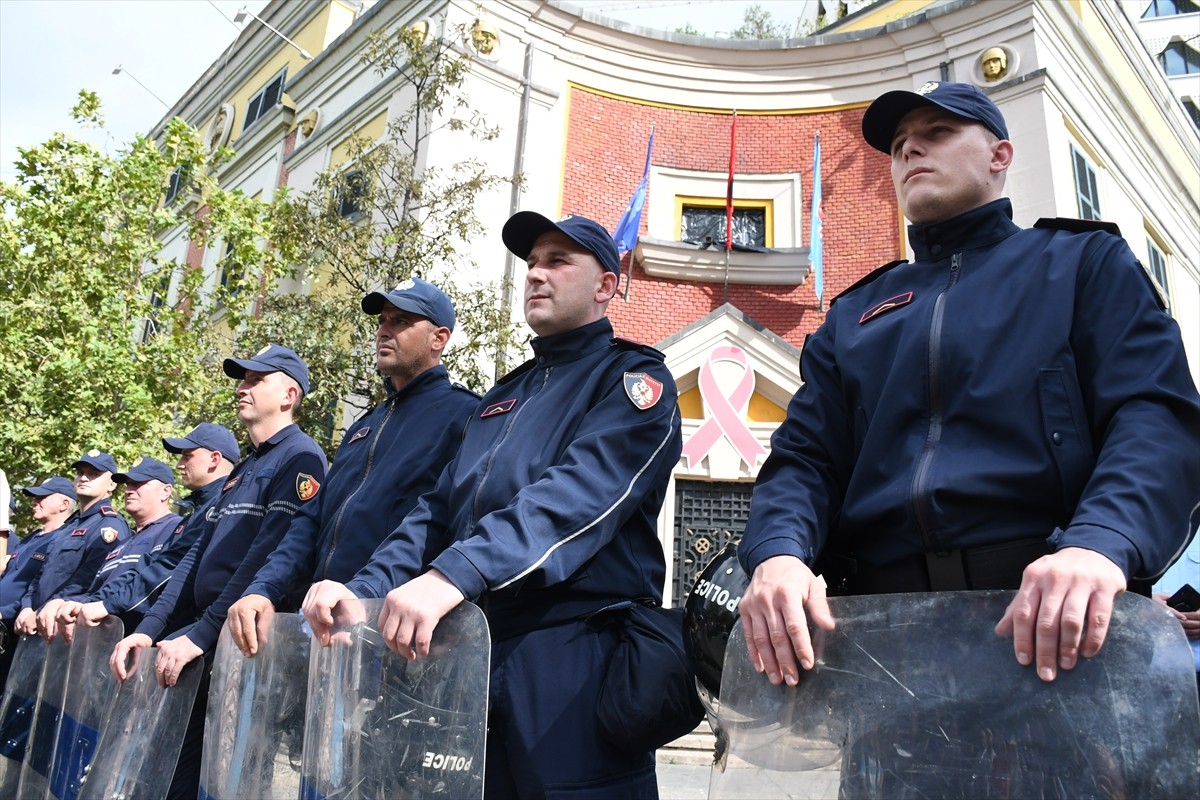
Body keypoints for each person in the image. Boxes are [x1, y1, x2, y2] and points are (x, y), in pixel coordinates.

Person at [737, 81, 1200, 688]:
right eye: (900, 144)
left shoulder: (1082, 264)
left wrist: (1101, 543)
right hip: (886, 643)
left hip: (1056, 625)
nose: (910, 152)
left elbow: (1154, 416)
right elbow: (805, 459)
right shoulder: (852, 316)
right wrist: (777, 555)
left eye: (937, 133)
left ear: (999, 155)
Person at [304, 212, 682, 797]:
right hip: (469, 654)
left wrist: (454, 573)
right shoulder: (503, 395)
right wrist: (365, 587)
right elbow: (435, 510)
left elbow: (576, 498)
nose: (536, 274)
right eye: (531, 263)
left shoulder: (632, 380)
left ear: (606, 286)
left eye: (558, 261)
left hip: (571, 658)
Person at [108, 344, 326, 800]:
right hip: (204, 642)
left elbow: (268, 557)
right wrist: (150, 629)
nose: (242, 388)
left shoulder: (301, 458)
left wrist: (200, 634)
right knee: (172, 780)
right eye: (241, 379)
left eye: (254, 380)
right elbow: (195, 558)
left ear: (288, 394)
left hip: (244, 650)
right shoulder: (242, 469)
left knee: (227, 783)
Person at [226, 279, 478, 657]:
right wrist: (263, 588)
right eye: (383, 320)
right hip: (321, 624)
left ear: (438, 338)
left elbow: (441, 522)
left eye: (402, 320)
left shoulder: (466, 415)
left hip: (392, 634)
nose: (384, 330)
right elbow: (310, 521)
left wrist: (365, 592)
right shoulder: (364, 425)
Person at [53, 424, 239, 639]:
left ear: (214, 459)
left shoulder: (224, 505)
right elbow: (148, 566)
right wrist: (90, 601)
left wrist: (108, 605)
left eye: (187, 456)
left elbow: (169, 569)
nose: (179, 465)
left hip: (200, 634)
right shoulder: (195, 515)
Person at [39, 457, 182, 637]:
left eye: (138, 484)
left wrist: (96, 604)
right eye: (128, 484)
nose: (129, 490)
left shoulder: (176, 529)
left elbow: (150, 582)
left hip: (141, 643)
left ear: (165, 491)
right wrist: (65, 602)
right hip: (100, 642)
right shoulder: (124, 542)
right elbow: (96, 591)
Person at [14, 450, 130, 636]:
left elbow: (90, 582)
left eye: (93, 474)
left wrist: (43, 610)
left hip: (69, 627)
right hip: (39, 624)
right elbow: (42, 573)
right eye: (80, 473)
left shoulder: (109, 525)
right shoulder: (69, 525)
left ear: (111, 484)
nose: (84, 478)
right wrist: (27, 606)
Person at [0, 476, 76, 688]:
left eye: (42, 497)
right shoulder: (32, 538)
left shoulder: (63, 539)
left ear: (64, 504)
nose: (35, 502)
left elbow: (41, 588)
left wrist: (5, 611)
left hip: (18, 632)